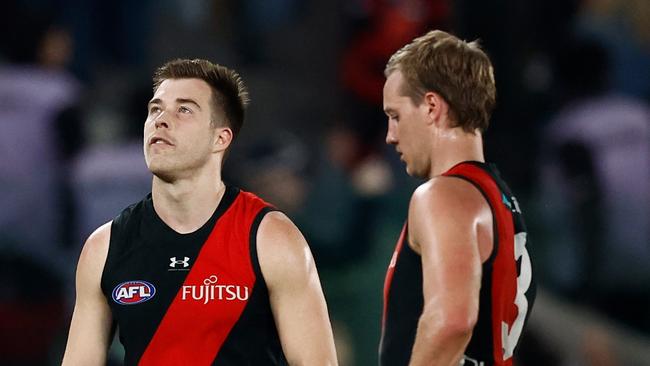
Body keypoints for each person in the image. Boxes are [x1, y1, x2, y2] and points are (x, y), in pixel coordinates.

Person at [62, 59, 337, 365]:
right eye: (155, 109)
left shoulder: (271, 238)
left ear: (221, 138)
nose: (161, 120)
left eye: (184, 110)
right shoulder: (105, 246)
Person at [379, 30, 536, 366]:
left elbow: (451, 322)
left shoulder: (441, 196)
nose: (390, 136)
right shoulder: (501, 200)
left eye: (395, 116)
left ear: (432, 107)